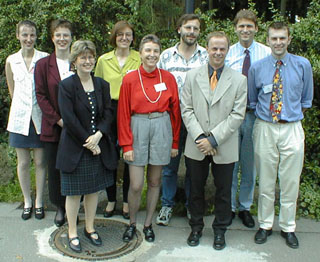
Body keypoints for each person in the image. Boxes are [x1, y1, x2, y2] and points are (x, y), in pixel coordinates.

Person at [249, 22, 313, 249]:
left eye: (282, 38)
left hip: (292, 128)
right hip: (265, 127)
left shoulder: (302, 65)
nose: (278, 42)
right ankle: (265, 225)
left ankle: (288, 227)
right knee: (266, 180)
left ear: (289, 40)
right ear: (267, 40)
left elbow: (306, 100)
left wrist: (287, 116)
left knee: (290, 181)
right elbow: (253, 99)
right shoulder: (257, 67)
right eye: (274, 38)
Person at [181, 31, 247, 250]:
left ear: (228, 51)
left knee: (223, 191)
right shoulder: (192, 77)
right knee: (196, 189)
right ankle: (196, 227)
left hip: (224, 145)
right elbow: (186, 109)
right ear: (207, 49)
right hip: (197, 143)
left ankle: (220, 230)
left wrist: (214, 139)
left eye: (222, 49)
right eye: (214, 48)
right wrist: (201, 137)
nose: (218, 52)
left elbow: (238, 115)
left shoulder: (239, 80)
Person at [118, 34, 181, 242]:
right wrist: (126, 144)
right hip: (138, 126)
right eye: (148, 51)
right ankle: (132, 223)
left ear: (159, 53)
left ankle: (148, 224)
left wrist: (174, 142)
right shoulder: (130, 79)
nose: (152, 55)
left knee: (155, 181)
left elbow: (175, 113)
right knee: (136, 184)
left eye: (155, 51)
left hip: (161, 125)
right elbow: (123, 114)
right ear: (141, 53)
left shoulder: (168, 78)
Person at [56, 40, 117, 253]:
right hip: (75, 148)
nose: (88, 61)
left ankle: (90, 228)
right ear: (74, 61)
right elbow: (69, 119)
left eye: (91, 57)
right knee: (73, 194)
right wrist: (89, 142)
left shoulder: (102, 84)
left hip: (98, 146)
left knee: (93, 192)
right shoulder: (66, 86)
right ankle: (72, 231)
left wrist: (98, 135)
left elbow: (109, 113)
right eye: (83, 57)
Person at [157, 13, 208, 226]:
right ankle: (166, 205)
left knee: (193, 166)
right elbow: (157, 84)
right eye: (188, 28)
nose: (191, 32)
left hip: (196, 120)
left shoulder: (206, 56)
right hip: (171, 119)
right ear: (179, 29)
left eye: (195, 29)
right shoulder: (167, 57)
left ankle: (190, 205)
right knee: (169, 166)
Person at [225, 9, 271, 228]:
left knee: (249, 165)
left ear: (256, 28)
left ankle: (244, 207)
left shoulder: (266, 53)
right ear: (235, 28)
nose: (245, 30)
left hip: (254, 117)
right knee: (231, 164)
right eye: (241, 26)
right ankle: (230, 208)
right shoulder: (226, 52)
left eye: (249, 26)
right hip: (230, 117)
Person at [95, 21, 141, 219]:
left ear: (133, 37)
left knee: (131, 158)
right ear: (114, 37)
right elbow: (96, 88)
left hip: (132, 111)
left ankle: (126, 202)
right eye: (120, 34)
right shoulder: (103, 60)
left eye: (128, 34)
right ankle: (111, 199)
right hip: (110, 110)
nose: (124, 38)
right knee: (110, 158)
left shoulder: (140, 58)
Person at [5, 20, 48, 220]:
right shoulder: (11, 60)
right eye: (24, 35)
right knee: (23, 163)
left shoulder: (45, 59)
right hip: (19, 118)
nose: (28, 39)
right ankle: (27, 201)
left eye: (32, 35)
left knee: (40, 161)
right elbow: (12, 90)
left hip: (40, 117)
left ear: (36, 36)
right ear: (18, 36)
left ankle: (39, 201)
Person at [35, 19, 73, 227]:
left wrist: (75, 122)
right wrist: (58, 120)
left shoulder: (77, 62)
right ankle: (59, 207)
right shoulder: (43, 65)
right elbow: (41, 95)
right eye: (58, 35)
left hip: (76, 128)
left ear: (71, 37)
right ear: (52, 38)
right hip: (53, 127)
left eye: (65, 35)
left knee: (74, 166)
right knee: (55, 168)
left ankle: (74, 205)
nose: (62, 39)